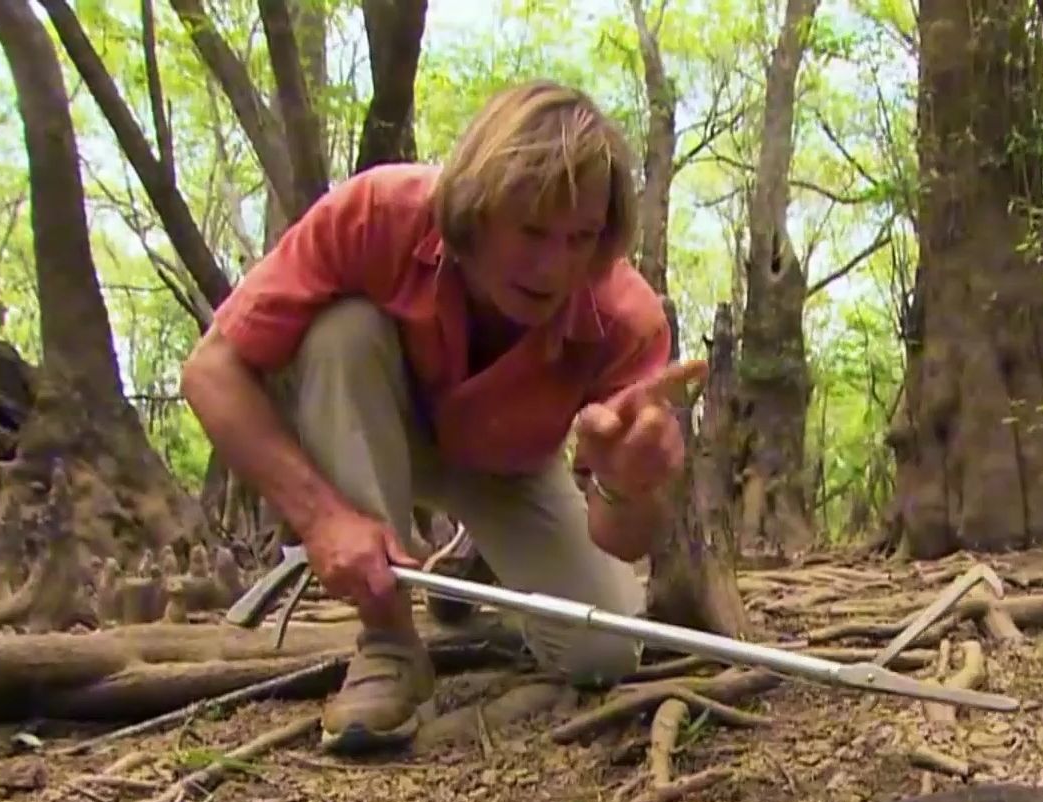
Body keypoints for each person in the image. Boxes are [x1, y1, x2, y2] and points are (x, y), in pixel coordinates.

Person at [179, 80, 706, 754]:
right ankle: (389, 639)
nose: (554, 267)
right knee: (340, 332)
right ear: (477, 209)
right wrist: (322, 518)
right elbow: (210, 372)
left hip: (511, 466)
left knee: (604, 650)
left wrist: (626, 487)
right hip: (375, 427)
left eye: (579, 238)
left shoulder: (626, 318)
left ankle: (473, 558)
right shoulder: (377, 214)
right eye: (532, 230)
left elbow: (624, 538)